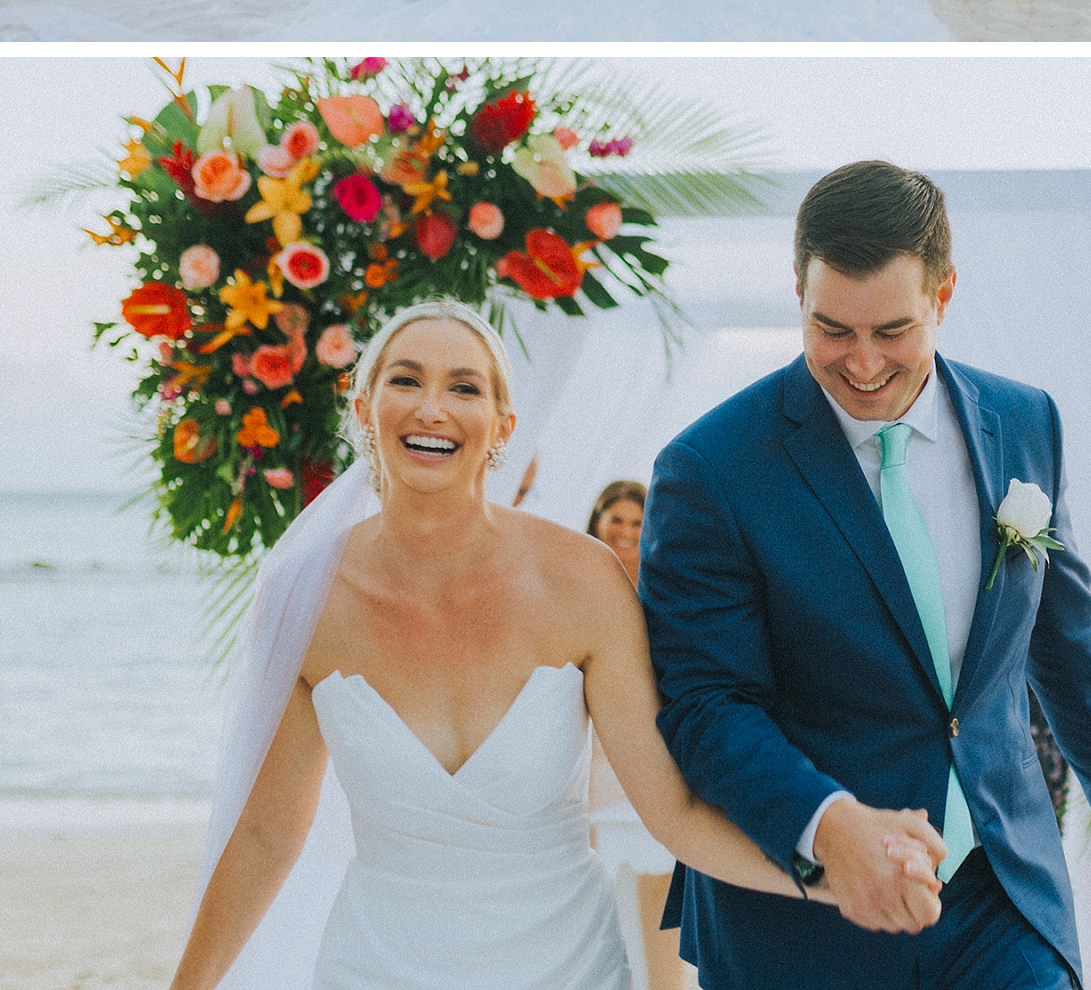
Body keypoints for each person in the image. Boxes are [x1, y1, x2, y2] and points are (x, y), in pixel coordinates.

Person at [168, 301, 943, 990]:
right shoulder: (303, 596)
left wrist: (839, 870)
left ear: (504, 426)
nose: (432, 407)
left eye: (465, 387)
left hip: (565, 965)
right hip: (372, 965)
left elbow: (671, 811)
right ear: (365, 405)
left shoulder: (582, 579)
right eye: (406, 380)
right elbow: (269, 833)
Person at [640, 160, 1091, 990]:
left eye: (891, 330)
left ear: (943, 293)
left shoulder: (1027, 422)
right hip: (802, 915)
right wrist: (831, 825)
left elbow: (1064, 638)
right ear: (797, 289)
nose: (860, 362)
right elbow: (708, 705)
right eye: (831, 329)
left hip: (1001, 889)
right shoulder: (708, 469)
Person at [586, 481, 691, 990]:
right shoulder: (578, 589)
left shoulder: (666, 593)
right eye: (616, 522)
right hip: (591, 765)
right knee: (601, 902)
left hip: (652, 755)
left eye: (636, 523)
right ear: (597, 524)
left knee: (658, 892)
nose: (626, 533)